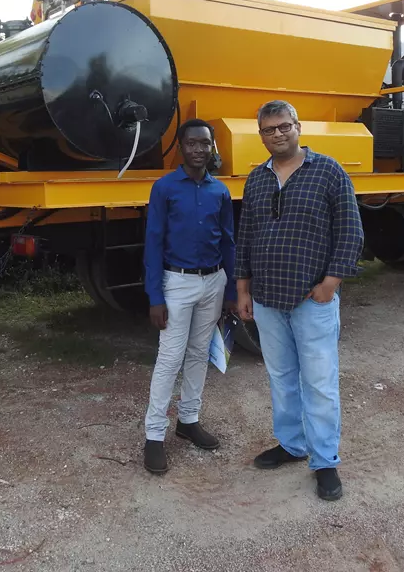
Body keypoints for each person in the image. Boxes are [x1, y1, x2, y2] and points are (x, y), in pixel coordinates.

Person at [235, 100, 364, 501]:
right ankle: (292, 444)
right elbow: (245, 237)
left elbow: (351, 230)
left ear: (298, 126)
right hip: (267, 299)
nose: (277, 134)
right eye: (269, 129)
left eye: (284, 126)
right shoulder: (256, 179)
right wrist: (242, 290)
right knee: (282, 377)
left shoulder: (328, 171)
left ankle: (325, 460)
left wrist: (331, 283)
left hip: (312, 299)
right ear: (261, 135)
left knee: (320, 382)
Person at [142, 118, 237, 475]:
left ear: (213, 147)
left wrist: (231, 289)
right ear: (181, 148)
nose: (199, 149)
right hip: (176, 284)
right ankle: (154, 435)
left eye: (205, 143)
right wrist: (155, 296)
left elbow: (228, 242)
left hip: (213, 282)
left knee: (199, 353)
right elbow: (153, 243)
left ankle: (189, 420)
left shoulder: (220, 191)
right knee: (170, 358)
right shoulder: (165, 188)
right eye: (192, 143)